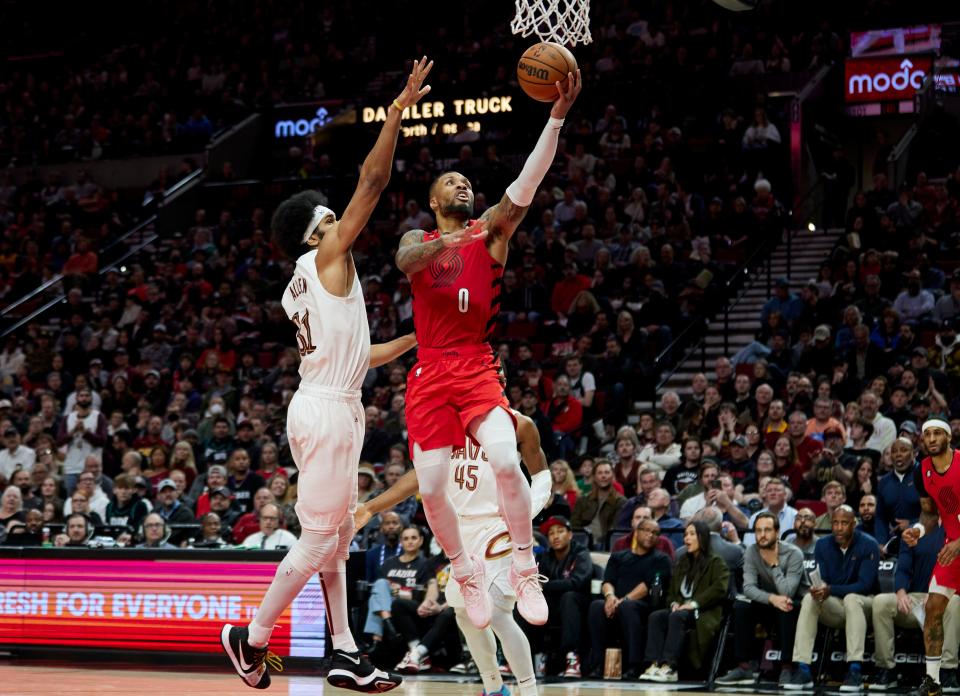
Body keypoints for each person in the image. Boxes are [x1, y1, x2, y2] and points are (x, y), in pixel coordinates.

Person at [221, 56, 434, 694]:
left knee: (338, 536)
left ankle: (344, 650)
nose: (340, 223)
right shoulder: (326, 258)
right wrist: (396, 116)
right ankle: (250, 637)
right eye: (329, 220)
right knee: (319, 541)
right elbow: (370, 185)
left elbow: (354, 356)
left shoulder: (307, 284)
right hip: (327, 408)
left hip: (328, 397)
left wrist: (416, 340)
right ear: (315, 234)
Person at [395, 67, 581, 631]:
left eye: (466, 183)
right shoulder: (418, 240)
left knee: (504, 458)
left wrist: (555, 117)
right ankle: (463, 569)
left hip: (476, 365)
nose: (462, 187)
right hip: (429, 373)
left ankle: (525, 564)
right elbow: (405, 260)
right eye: (451, 182)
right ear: (433, 199)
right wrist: (450, 240)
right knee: (429, 490)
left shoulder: (493, 232)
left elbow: (527, 182)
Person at [355, 412, 551, 696]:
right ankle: (494, 687)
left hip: (499, 524)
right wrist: (372, 507)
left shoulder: (518, 423)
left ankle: (529, 689)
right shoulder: (444, 422)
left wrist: (524, 514)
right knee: (463, 614)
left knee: (497, 612)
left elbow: (541, 475)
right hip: (460, 530)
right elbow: (420, 476)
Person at [784, 505, 880, 690]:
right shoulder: (822, 544)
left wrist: (830, 589)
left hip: (866, 605)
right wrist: (819, 590)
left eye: (844, 523)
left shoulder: (869, 544)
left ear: (854, 524)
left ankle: (855, 670)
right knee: (808, 599)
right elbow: (825, 579)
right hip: (838, 606)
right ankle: (803, 669)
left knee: (852, 598)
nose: (838, 527)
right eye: (835, 522)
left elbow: (865, 585)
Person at [901, 419, 960, 696]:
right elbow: (931, 512)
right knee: (933, 610)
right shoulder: (921, 471)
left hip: (957, 544)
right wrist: (919, 529)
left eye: (938, 433)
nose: (932, 438)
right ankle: (933, 682)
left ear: (948, 437)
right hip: (952, 547)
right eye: (927, 434)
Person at [871, 511, 960, 691]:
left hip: (948, 596)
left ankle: (947, 671)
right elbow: (903, 567)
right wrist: (901, 592)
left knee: (955, 603)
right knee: (881, 602)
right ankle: (886, 670)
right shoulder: (915, 530)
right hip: (915, 598)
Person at [716, 512, 808, 687]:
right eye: (758, 531)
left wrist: (774, 564)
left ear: (777, 532)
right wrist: (772, 598)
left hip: (794, 603)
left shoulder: (793, 554)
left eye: (767, 530)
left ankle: (788, 668)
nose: (762, 535)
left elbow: (787, 591)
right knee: (742, 606)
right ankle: (744, 667)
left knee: (786, 606)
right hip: (768, 601)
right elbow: (749, 588)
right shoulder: (751, 551)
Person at [640, 520, 730, 682]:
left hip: (702, 612)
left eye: (692, 534)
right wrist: (673, 603)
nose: (686, 538)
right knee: (657, 616)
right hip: (681, 609)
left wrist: (694, 604)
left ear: (702, 537)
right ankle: (654, 663)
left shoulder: (716, 562)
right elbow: (671, 592)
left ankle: (670, 667)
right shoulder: (682, 562)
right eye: (685, 535)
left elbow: (719, 589)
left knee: (677, 616)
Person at [589, 517, 672, 679]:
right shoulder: (619, 557)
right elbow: (607, 581)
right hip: (617, 603)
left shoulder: (661, 559)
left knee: (628, 607)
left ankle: (634, 665)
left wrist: (623, 601)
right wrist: (610, 597)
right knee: (596, 606)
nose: (651, 535)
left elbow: (647, 586)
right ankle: (598, 664)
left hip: (646, 606)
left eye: (655, 533)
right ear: (636, 532)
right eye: (647, 530)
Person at [531, 515, 593, 679]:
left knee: (569, 597)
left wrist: (547, 585)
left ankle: (572, 658)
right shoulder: (544, 557)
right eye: (551, 533)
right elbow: (536, 583)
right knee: (528, 603)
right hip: (552, 604)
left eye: (560, 531)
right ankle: (524, 656)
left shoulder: (581, 554)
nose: (555, 536)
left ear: (570, 534)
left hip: (579, 604)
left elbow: (577, 583)